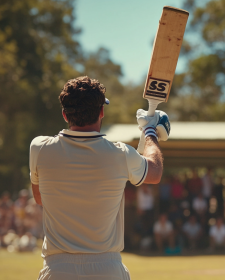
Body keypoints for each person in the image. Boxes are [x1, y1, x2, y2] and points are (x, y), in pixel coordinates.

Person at [30, 76, 167, 279]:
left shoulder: (39, 148)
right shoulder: (121, 154)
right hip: (107, 269)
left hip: (58, 270)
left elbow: (40, 198)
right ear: (101, 111)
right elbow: (154, 172)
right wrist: (149, 132)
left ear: (64, 115)